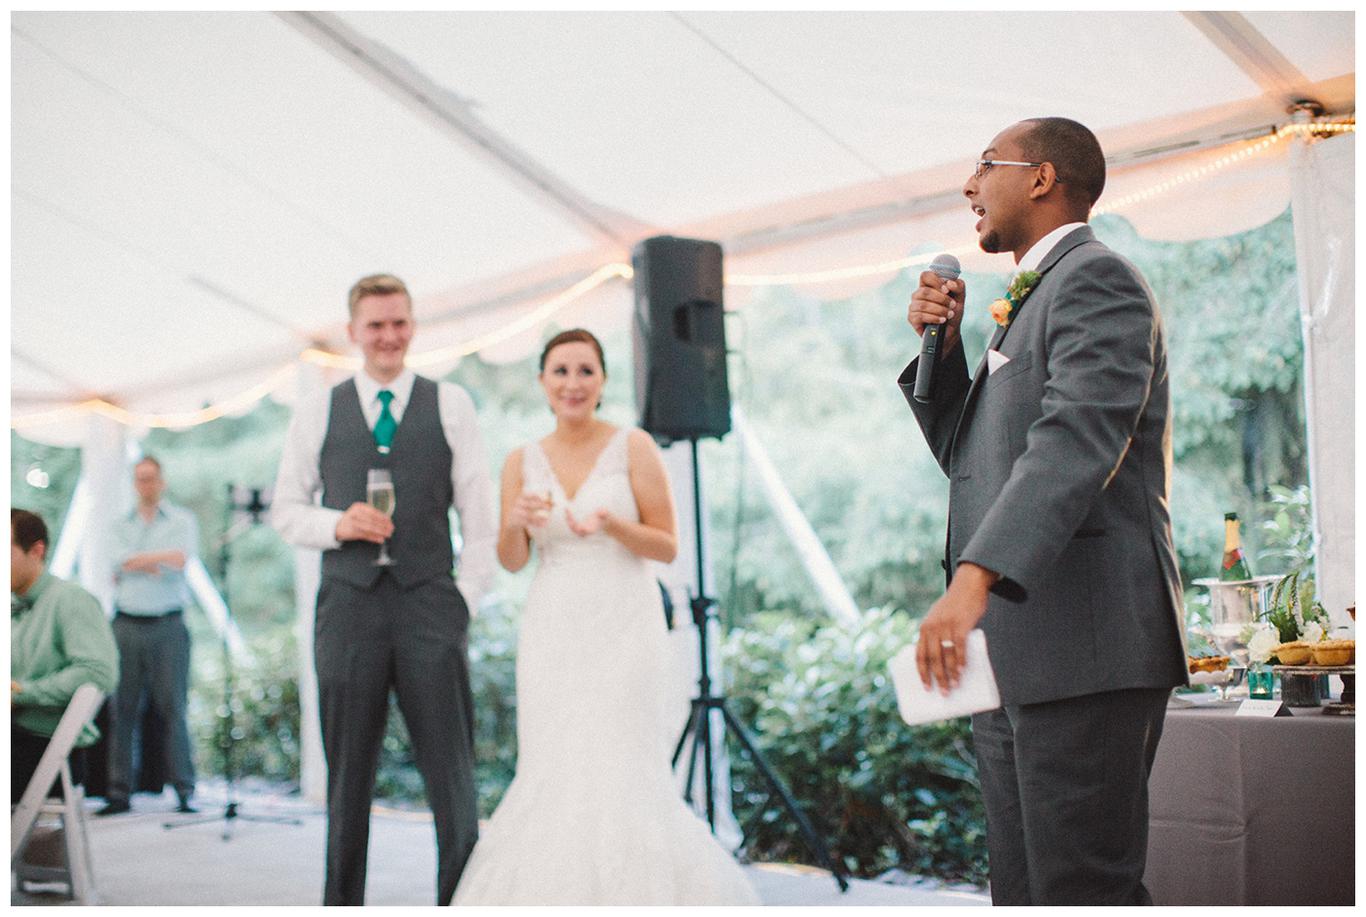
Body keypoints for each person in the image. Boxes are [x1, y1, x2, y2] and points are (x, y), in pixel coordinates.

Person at [899, 117, 1187, 905]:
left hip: (1084, 646)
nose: (969, 185)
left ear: (1040, 177)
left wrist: (972, 579)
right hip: (1016, 654)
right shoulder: (1030, 297)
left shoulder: (1097, 279)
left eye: (984, 164)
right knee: (1022, 889)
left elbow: (1076, 440)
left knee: (1080, 889)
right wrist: (943, 351)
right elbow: (975, 460)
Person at [452, 329, 760, 906]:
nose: (573, 383)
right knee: (554, 761)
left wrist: (613, 524)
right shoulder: (520, 460)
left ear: (602, 381)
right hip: (553, 625)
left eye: (585, 371)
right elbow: (512, 560)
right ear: (542, 381)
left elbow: (667, 545)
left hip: (625, 622)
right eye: (561, 371)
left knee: (623, 758)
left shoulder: (633, 446)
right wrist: (515, 522)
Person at [272, 273, 497, 906]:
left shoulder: (451, 403)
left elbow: (480, 518)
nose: (389, 336)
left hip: (430, 605)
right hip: (347, 608)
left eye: (399, 323)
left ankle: (461, 903)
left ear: (413, 326)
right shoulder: (319, 409)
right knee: (347, 781)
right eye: (376, 325)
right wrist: (336, 524)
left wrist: (463, 601)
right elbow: (286, 510)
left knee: (452, 777)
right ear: (353, 332)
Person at [101, 455, 201, 816]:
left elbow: (179, 560)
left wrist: (137, 561)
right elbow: (118, 562)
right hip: (126, 625)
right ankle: (119, 792)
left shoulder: (182, 521)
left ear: (162, 481)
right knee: (122, 711)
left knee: (174, 709)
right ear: (134, 483)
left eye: (151, 478)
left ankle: (185, 790)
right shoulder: (117, 523)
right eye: (140, 478)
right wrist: (155, 561)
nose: (146, 484)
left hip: (168, 625)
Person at [12, 508, 119, 803]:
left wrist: (21, 693)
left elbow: (99, 672)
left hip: (43, 751)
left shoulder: (70, 600)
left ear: (36, 551)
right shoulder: (14, 605)